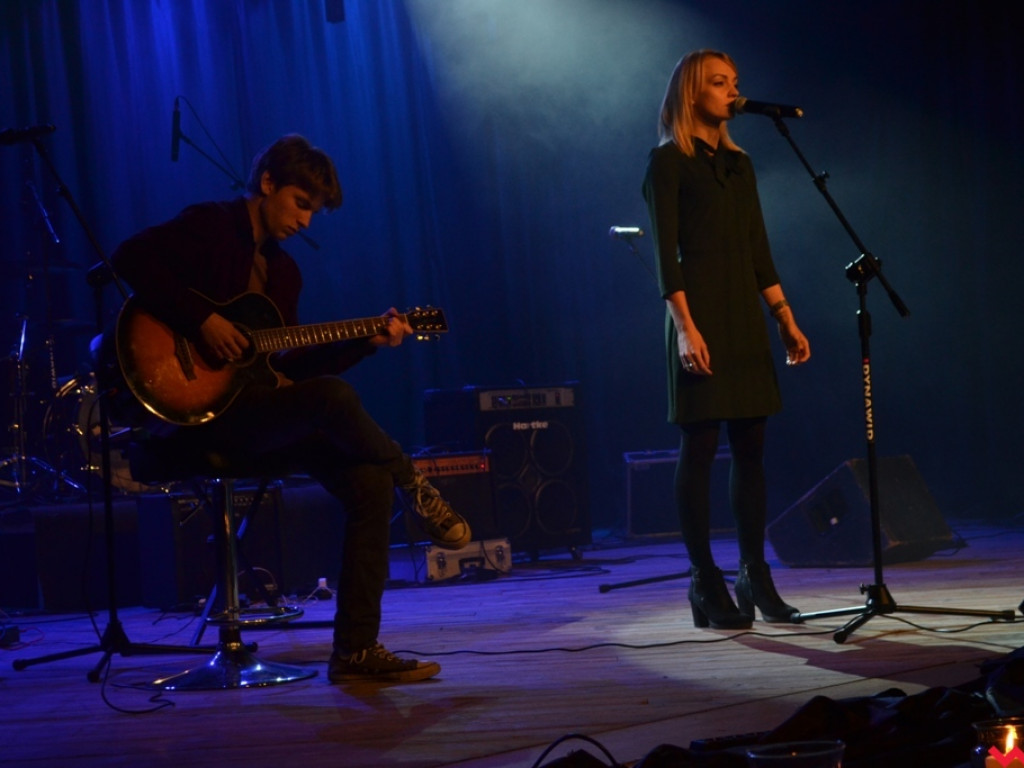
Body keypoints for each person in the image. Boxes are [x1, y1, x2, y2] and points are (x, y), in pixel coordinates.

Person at [109, 134, 471, 682]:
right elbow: (128, 257)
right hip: (194, 422)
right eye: (301, 203)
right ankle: (412, 478)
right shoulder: (211, 225)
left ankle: (354, 653)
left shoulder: (284, 274)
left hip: (255, 416)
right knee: (334, 399)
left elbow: (289, 368)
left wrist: (367, 341)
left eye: (314, 211)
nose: (305, 221)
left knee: (369, 483)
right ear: (268, 183)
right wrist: (202, 320)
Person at [642, 50, 811, 630]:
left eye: (735, 83)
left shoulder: (740, 166)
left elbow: (758, 248)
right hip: (698, 314)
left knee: (751, 447)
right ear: (692, 93)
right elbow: (666, 258)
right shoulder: (667, 163)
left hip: (743, 315)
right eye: (720, 83)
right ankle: (704, 580)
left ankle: (753, 574)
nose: (733, 92)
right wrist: (685, 328)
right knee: (700, 445)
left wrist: (783, 315)